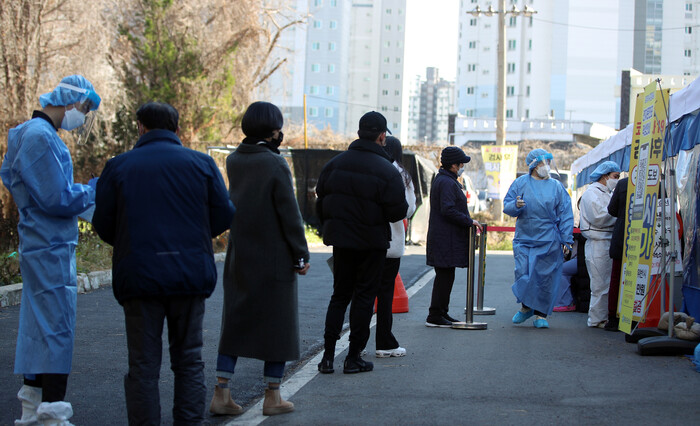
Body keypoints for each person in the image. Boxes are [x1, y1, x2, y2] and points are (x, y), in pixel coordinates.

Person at [92, 102, 235, 425]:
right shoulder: (202, 164)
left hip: (139, 276)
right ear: (177, 129)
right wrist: (196, 237)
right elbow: (225, 213)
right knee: (188, 361)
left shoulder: (119, 166)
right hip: (189, 274)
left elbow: (102, 222)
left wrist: (132, 243)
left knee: (142, 366)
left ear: (140, 127)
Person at [1, 75, 101, 425]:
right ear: (69, 100)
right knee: (56, 328)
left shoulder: (26, 133)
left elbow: (12, 176)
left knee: (36, 327)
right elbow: (56, 197)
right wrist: (94, 191)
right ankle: (53, 413)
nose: (83, 116)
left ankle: (32, 406)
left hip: (40, 241)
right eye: (84, 108)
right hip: (50, 245)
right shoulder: (41, 137)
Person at [211, 101, 310, 417]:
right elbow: (289, 215)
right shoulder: (276, 165)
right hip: (274, 257)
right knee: (277, 327)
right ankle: (273, 395)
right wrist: (301, 254)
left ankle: (221, 393)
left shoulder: (234, 160)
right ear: (273, 130)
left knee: (234, 325)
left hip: (240, 254)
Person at [316, 111, 408, 374]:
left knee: (340, 296)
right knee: (364, 298)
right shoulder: (388, 170)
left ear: (359, 132)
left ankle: (328, 357)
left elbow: (321, 202)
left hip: (341, 242)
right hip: (372, 244)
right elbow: (397, 212)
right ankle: (353, 356)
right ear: (382, 136)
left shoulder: (333, 165)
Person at [504, 148, 574, 329]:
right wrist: (516, 205)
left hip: (549, 240)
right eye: (543, 163)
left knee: (545, 278)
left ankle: (540, 315)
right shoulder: (520, 183)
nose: (547, 166)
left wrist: (567, 239)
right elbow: (507, 205)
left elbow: (565, 213)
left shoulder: (556, 187)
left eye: (548, 162)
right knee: (523, 274)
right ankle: (526, 307)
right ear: (534, 165)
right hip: (525, 238)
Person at [425, 146, 482, 327]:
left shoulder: (444, 179)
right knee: (444, 276)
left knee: (446, 276)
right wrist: (468, 221)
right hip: (445, 238)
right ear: (454, 165)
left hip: (444, 237)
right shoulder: (447, 182)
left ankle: (442, 312)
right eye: (461, 164)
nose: (462, 167)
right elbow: (448, 209)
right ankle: (435, 315)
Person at [374, 136, 416, 357]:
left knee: (362, 292)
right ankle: (384, 342)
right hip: (391, 241)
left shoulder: (366, 163)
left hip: (363, 240)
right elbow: (409, 209)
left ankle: (356, 344)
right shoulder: (400, 172)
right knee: (385, 293)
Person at [579, 160, 621, 328]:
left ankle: (603, 317)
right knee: (600, 284)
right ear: (605, 176)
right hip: (598, 242)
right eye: (615, 176)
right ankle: (596, 319)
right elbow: (599, 217)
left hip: (607, 242)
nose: (616, 180)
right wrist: (619, 215)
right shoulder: (592, 193)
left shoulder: (606, 193)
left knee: (607, 283)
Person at [604, 176, 628, 331]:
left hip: (622, 236)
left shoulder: (623, 184)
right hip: (647, 240)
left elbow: (612, 209)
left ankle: (613, 317)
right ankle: (637, 317)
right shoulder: (658, 185)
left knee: (616, 279)